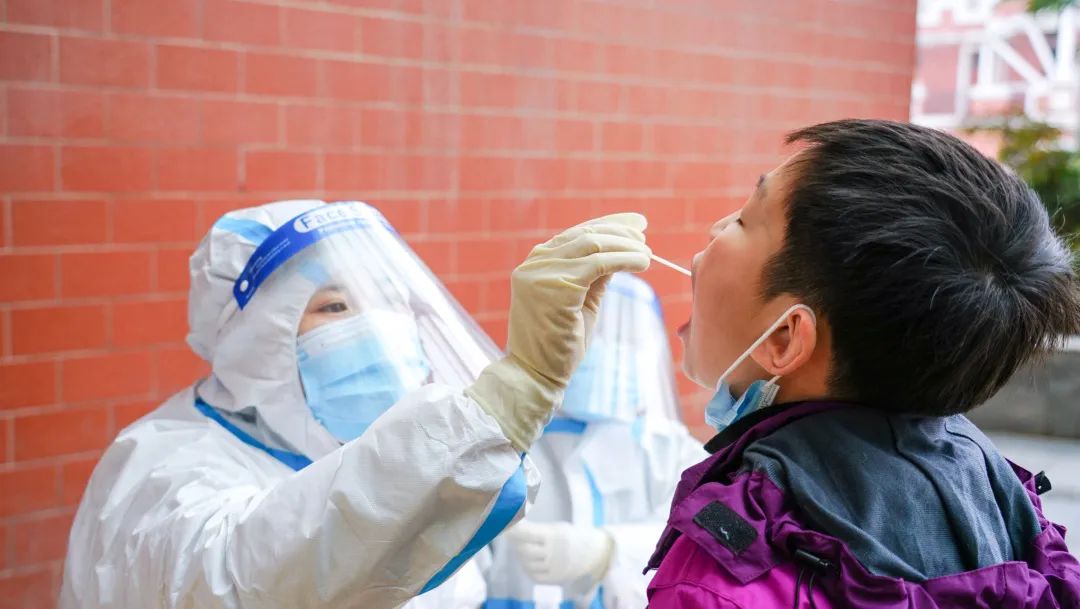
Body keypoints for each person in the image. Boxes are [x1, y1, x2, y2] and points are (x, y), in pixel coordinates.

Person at [59, 200, 652, 609]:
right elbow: (255, 577)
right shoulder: (164, 467)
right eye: (337, 307)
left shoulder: (360, 452)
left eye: (391, 303)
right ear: (256, 339)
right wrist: (511, 391)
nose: (382, 330)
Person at [644, 120, 1080, 608]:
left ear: (786, 337)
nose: (716, 227)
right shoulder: (996, 494)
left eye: (745, 220)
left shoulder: (719, 579)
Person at [481, 272, 704, 609]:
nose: (594, 349)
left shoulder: (668, 450)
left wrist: (607, 550)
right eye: (576, 333)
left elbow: (703, 539)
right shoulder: (505, 445)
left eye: (613, 338)